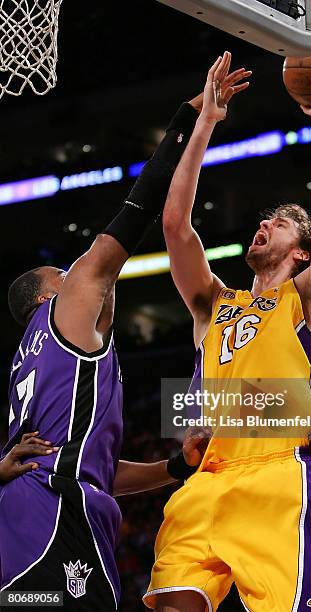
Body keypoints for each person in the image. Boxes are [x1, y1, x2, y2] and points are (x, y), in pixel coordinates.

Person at [0, 67, 249, 611]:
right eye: (64, 276)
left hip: (31, 519)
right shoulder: (64, 317)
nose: (78, 275)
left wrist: (173, 469)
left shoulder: (33, 362)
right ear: (48, 300)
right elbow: (135, 214)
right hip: (54, 522)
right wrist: (193, 118)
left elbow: (96, 467)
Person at [144, 51, 311, 612]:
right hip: (209, 477)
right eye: (266, 219)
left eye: (280, 223)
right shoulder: (214, 304)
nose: (264, 223)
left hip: (278, 476)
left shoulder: (310, 296)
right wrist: (205, 124)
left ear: (302, 252)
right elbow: (174, 225)